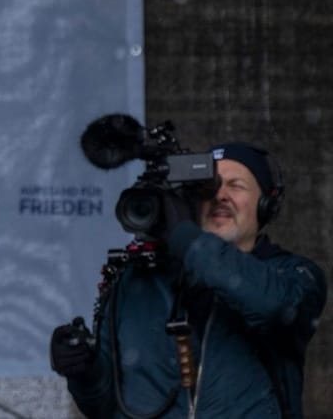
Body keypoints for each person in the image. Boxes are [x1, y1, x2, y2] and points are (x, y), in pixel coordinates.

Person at [51, 141, 326, 418]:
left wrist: (186, 238)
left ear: (266, 203)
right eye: (210, 186)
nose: (221, 195)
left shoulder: (293, 275)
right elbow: (105, 406)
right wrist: (83, 373)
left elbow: (274, 307)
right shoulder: (135, 279)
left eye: (236, 185)